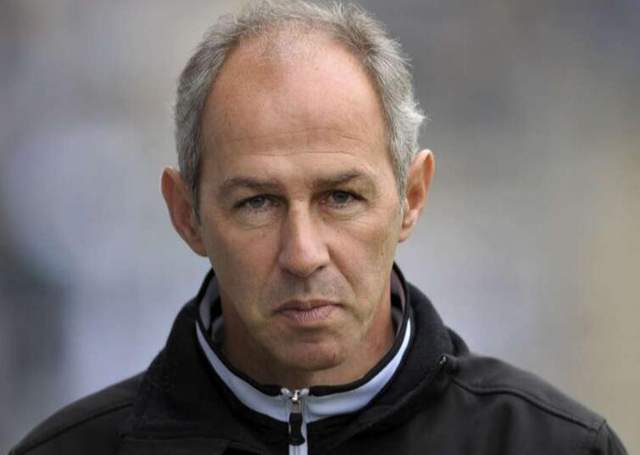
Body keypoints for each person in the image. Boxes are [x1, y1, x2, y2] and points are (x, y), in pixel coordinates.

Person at [10, 1, 627, 454]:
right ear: (186, 214)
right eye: (257, 202)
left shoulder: (555, 447)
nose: (303, 254)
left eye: (340, 197)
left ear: (411, 197)